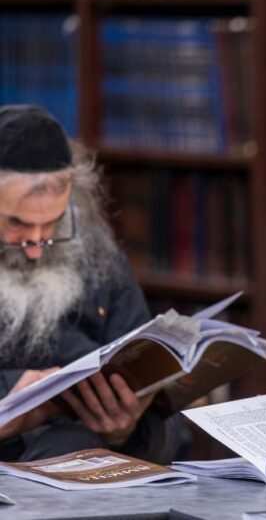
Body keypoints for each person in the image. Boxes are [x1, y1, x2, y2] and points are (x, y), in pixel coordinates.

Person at [0, 104, 182, 463]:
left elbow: (171, 428)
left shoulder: (101, 264)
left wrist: (127, 432)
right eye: (16, 224)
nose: (36, 247)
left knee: (73, 443)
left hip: (90, 471)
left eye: (53, 223)